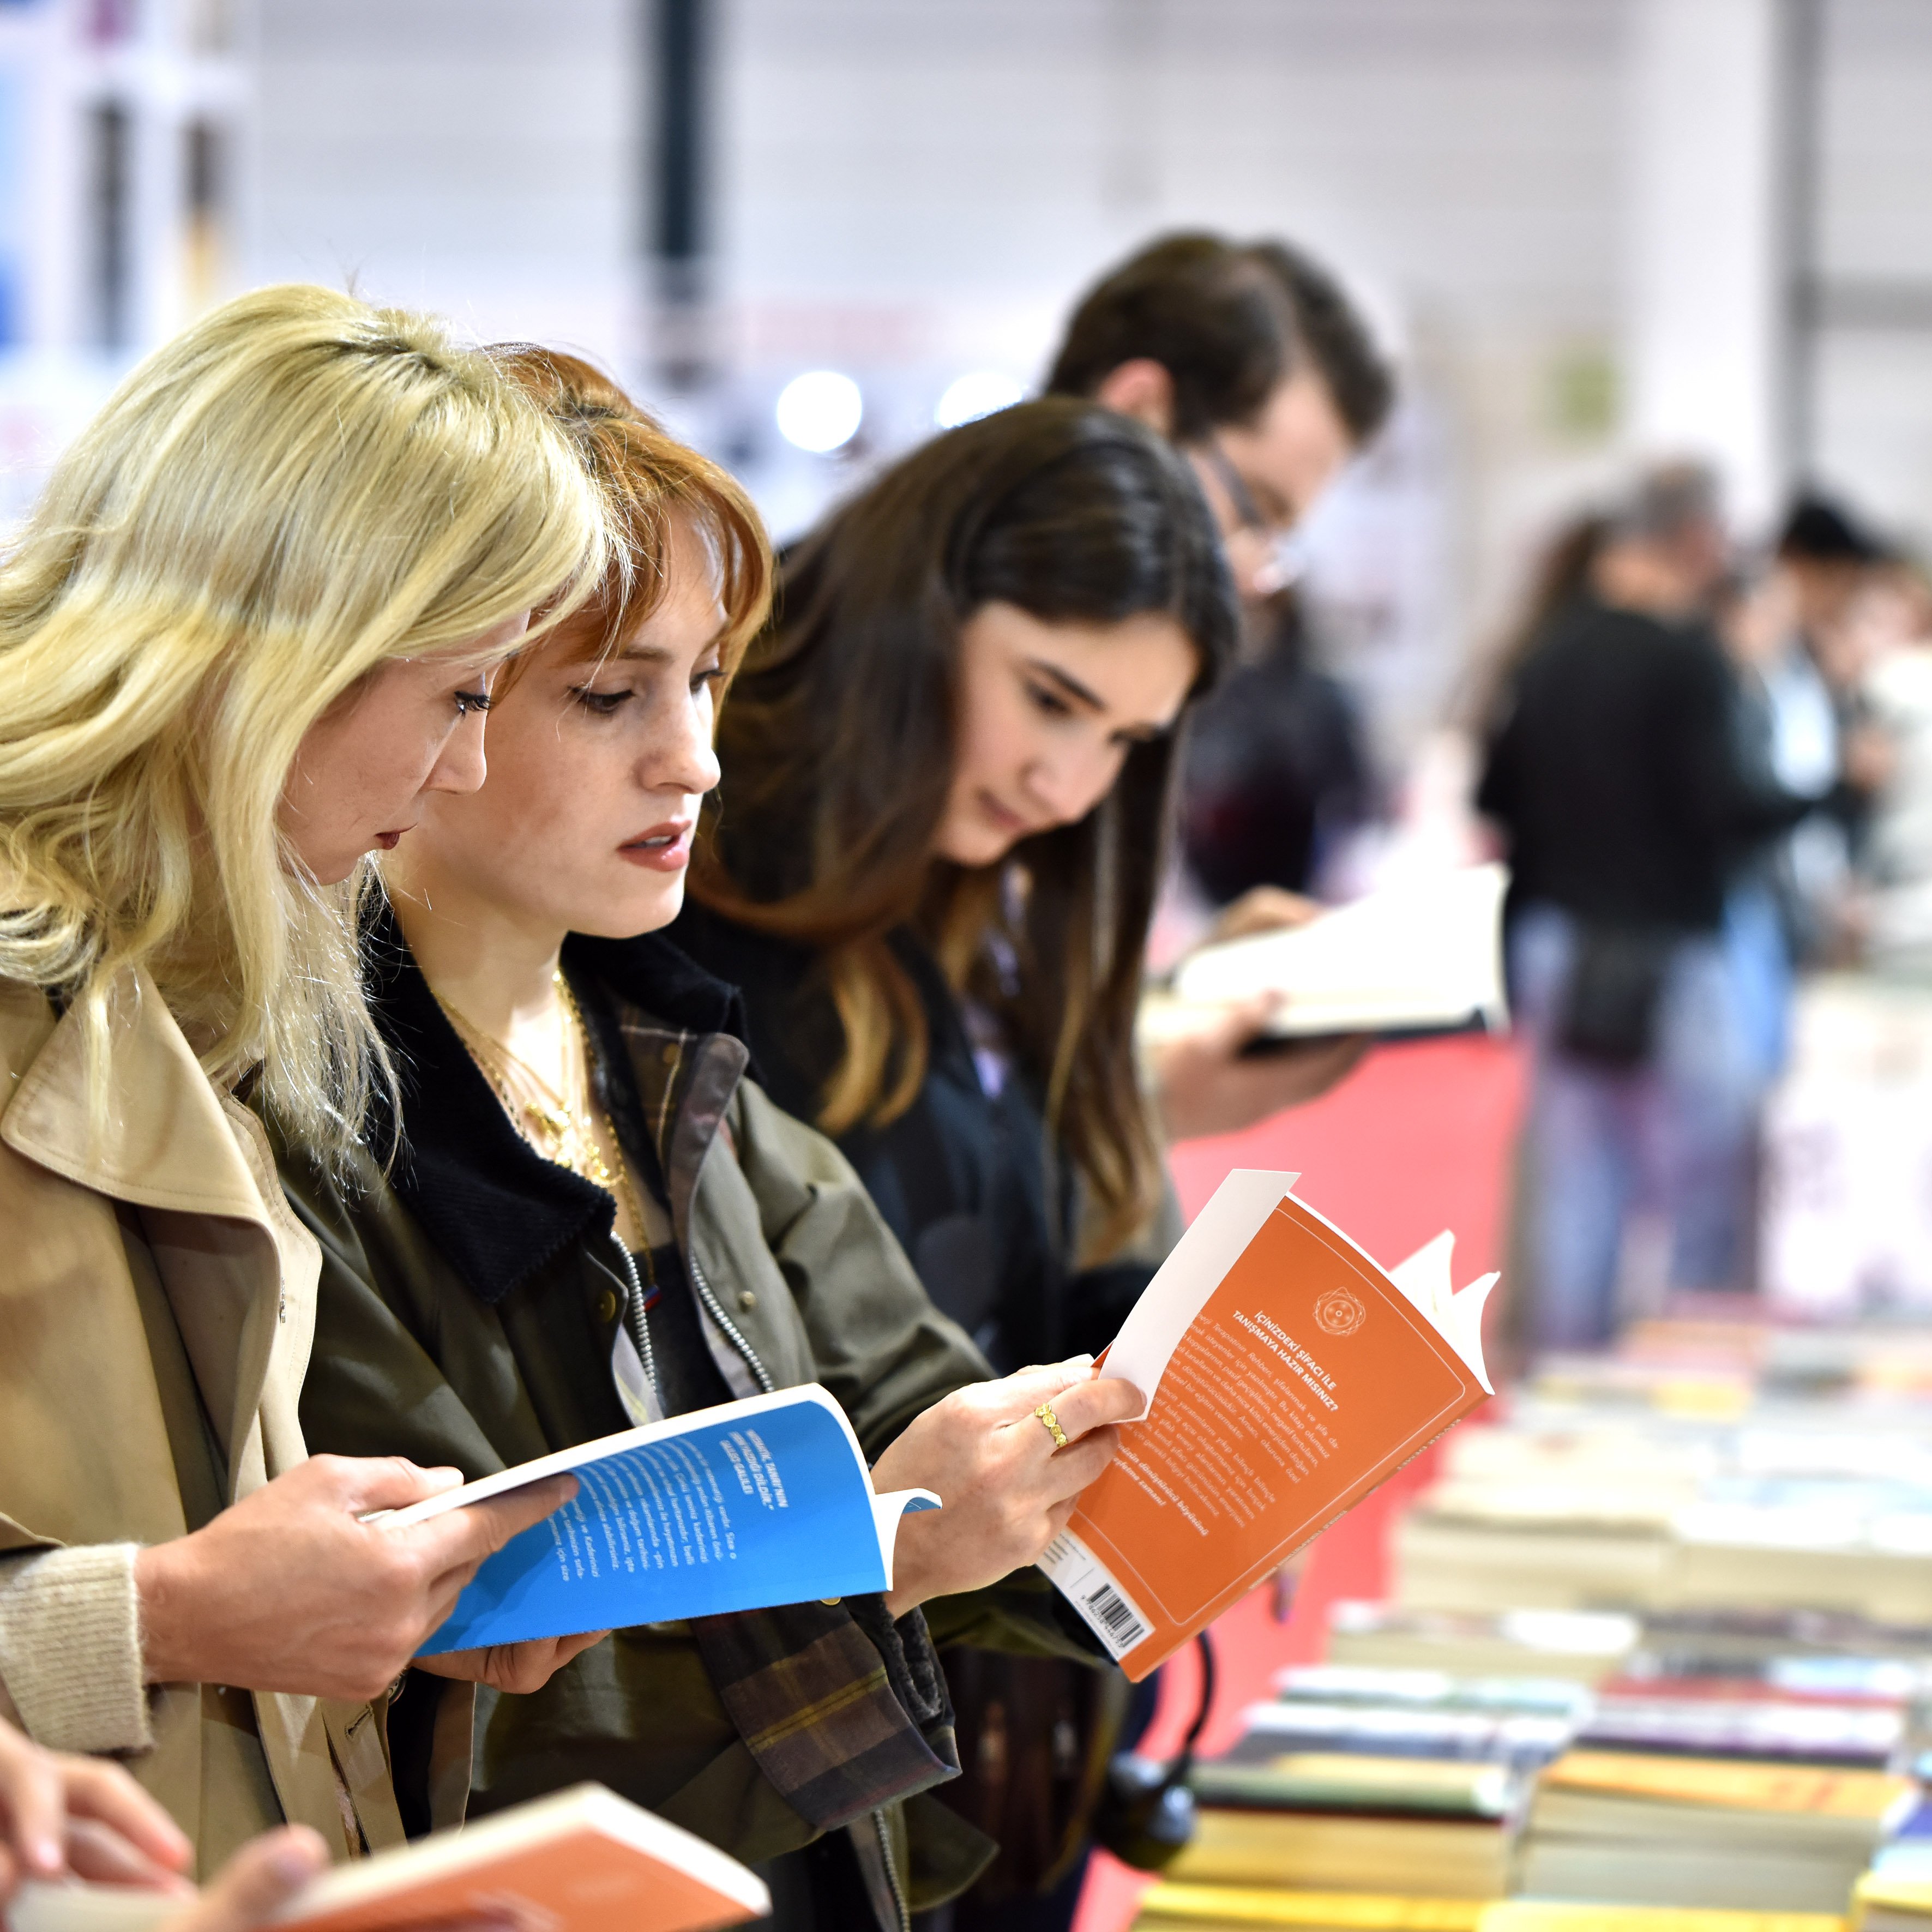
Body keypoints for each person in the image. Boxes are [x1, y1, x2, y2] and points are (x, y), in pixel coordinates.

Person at [281, 352, 1144, 1932]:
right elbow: (463, 1645)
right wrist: (898, 1549)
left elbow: (919, 1399)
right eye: (610, 696)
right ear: (424, 692)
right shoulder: (310, 1115)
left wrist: (1096, 1463)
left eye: (706, 682)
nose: (695, 758)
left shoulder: (673, 1061)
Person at [0, 285, 608, 1872]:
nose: (468, 766)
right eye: (463, 692)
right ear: (291, 653)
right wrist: (171, 1615)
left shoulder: (169, 991)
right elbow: (151, 1593)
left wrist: (363, 1611)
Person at [666, 399, 1244, 1928]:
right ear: (918, 614)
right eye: (1049, 698)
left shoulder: (1001, 909)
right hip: (798, 1758)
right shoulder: (687, 906)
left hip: (1005, 1739)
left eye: (1121, 740)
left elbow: (1060, 1252)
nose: (1068, 782)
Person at [1477, 466, 1865, 1349]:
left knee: (1581, 1184)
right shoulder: (1687, 660)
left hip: (1560, 941)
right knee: (1704, 1181)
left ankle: (1566, 1386)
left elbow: (1496, 795)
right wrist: (1837, 787)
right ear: (1695, 540)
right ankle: (1690, 1369)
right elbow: (1729, 807)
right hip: (1673, 945)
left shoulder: (1546, 653)